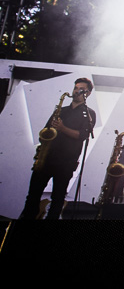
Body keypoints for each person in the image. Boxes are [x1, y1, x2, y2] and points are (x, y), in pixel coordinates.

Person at [19, 77, 96, 220]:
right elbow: (45, 131)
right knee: (33, 195)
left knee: (58, 198)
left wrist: (62, 128)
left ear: (88, 93)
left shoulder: (89, 114)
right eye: (75, 88)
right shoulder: (61, 110)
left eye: (81, 89)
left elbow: (82, 135)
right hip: (47, 158)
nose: (77, 91)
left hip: (66, 162)